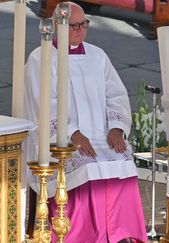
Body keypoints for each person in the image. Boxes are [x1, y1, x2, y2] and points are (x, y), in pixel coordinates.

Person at [24, 2, 147, 242]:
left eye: (84, 24)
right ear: (58, 26)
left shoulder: (97, 55)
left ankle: (122, 233)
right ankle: (82, 235)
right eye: (74, 26)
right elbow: (43, 103)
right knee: (85, 166)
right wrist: (72, 134)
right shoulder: (42, 57)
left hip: (101, 135)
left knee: (122, 160)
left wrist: (116, 128)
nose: (81, 30)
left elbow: (116, 95)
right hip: (62, 139)